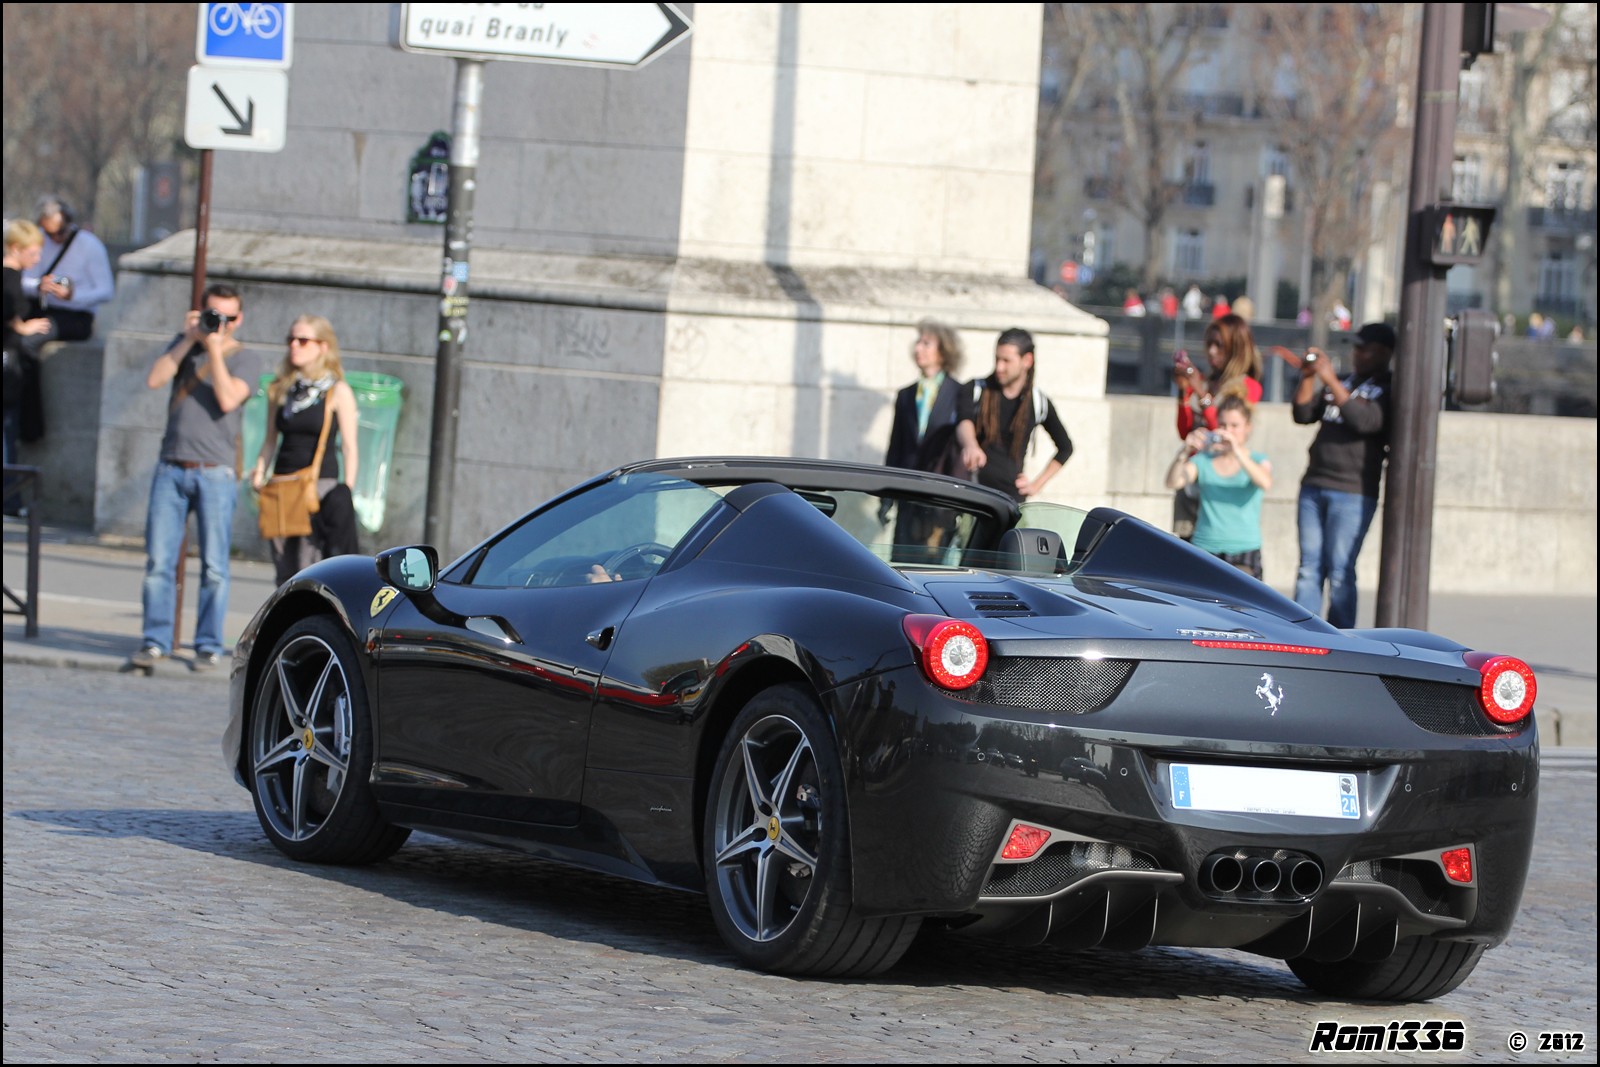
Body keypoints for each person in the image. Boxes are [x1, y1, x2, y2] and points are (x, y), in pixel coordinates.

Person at [129, 284, 261, 673]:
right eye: (213, 315)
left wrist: (216, 348)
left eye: (229, 318)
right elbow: (154, 379)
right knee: (159, 561)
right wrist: (189, 339)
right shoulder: (185, 345)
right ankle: (155, 640)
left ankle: (207, 644)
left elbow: (228, 399)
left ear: (240, 320)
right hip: (171, 467)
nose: (220, 324)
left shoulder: (247, 357)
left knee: (215, 566)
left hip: (216, 472)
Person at [1292, 321, 1395, 628]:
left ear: (1384, 353)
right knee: (1309, 568)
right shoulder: (1345, 381)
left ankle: (1340, 637)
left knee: (1340, 570)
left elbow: (1365, 421)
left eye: (1366, 349)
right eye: (1357, 347)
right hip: (1314, 483)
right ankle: (1301, 634)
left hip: (1353, 491)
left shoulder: (1388, 389)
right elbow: (1302, 414)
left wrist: (1330, 381)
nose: (1358, 354)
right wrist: (1310, 377)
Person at [251, 314, 361, 585]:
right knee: (283, 566)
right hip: (281, 485)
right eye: (291, 340)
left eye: (303, 340)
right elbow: (270, 439)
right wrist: (260, 471)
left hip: (317, 485)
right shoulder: (280, 390)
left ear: (323, 346)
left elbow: (349, 446)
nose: (294, 346)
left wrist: (345, 488)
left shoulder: (337, 391)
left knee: (309, 564)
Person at [1171, 313, 1263, 541]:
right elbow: (1185, 431)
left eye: (1219, 346)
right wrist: (1184, 392)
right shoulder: (1207, 381)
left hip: (1217, 480)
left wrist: (1201, 394)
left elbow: (1224, 433)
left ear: (1235, 348)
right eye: (1209, 344)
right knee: (1185, 544)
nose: (1212, 351)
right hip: (1193, 472)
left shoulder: (1247, 386)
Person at [955, 327, 1073, 501]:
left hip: (1010, 500)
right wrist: (971, 445)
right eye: (997, 359)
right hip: (971, 492)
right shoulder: (976, 389)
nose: (999, 367)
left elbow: (1065, 448)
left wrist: (1035, 485)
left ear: (1027, 361)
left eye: (1006, 360)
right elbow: (963, 421)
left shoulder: (1038, 402)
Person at [1165, 395, 1272, 579]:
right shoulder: (1204, 460)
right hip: (1205, 546)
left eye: (1234, 426)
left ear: (1247, 428)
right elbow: (1173, 482)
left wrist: (1236, 451)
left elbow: (1265, 482)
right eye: (1222, 425)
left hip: (1244, 549)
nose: (1227, 431)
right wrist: (1185, 451)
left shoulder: (1256, 460)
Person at [884, 319, 965, 551]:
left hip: (940, 498)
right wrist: (886, 496)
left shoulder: (959, 393)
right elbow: (895, 447)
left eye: (926, 343)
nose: (918, 348)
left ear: (944, 350)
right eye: (918, 342)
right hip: (907, 494)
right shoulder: (906, 395)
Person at [20, 195, 115, 345]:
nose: (56, 238)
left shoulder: (90, 245)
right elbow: (22, 280)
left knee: (29, 341)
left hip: (76, 316)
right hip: (41, 308)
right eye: (50, 234)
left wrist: (72, 295)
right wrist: (39, 286)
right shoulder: (39, 241)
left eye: (61, 232)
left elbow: (106, 291)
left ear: (70, 223)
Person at [4, 220, 53, 479]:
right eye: (33, 252)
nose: (37, 258)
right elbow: (6, 307)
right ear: (15, 248)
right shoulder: (10, 275)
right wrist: (23, 327)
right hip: (7, 361)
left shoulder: (14, 276)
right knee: (7, 428)